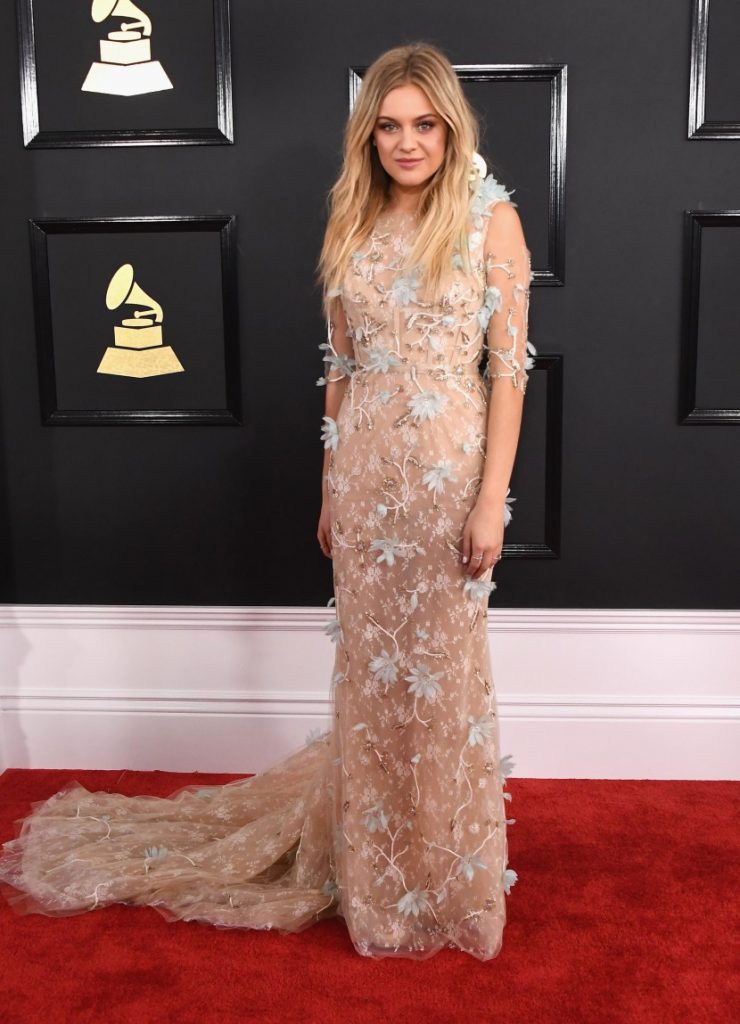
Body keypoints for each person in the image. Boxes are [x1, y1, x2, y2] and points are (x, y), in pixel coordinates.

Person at [0, 41, 533, 962]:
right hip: (366, 485)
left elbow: (510, 375)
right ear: (369, 136)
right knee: (372, 685)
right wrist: (330, 486)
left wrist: (493, 502)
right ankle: (373, 876)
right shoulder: (352, 221)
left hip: (448, 482)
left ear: (451, 128)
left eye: (425, 125)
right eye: (390, 127)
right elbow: (338, 370)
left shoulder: (493, 222)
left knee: (445, 686)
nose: (407, 143)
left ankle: (444, 878)